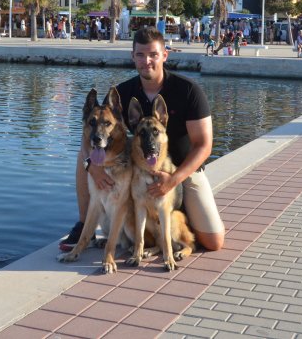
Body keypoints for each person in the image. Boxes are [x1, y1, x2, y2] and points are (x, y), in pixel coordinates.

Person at [61, 27, 224, 253]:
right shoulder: (122, 93)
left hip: (182, 170)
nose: (146, 61)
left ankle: (180, 214)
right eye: (140, 55)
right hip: (139, 169)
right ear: (133, 56)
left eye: (153, 55)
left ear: (164, 55)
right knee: (85, 156)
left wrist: (173, 180)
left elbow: (204, 145)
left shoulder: (188, 91)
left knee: (213, 242)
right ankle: (83, 225)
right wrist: (93, 168)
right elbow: (89, 133)